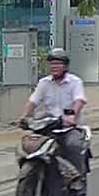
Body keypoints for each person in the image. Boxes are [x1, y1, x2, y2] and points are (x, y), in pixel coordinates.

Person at [20, 48, 88, 187]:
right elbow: (33, 101)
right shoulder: (44, 83)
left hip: (69, 128)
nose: (54, 66)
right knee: (30, 146)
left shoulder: (75, 82)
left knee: (72, 145)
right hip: (49, 126)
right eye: (52, 63)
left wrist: (71, 117)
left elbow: (79, 101)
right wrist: (24, 117)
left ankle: (77, 180)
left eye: (58, 63)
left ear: (65, 66)